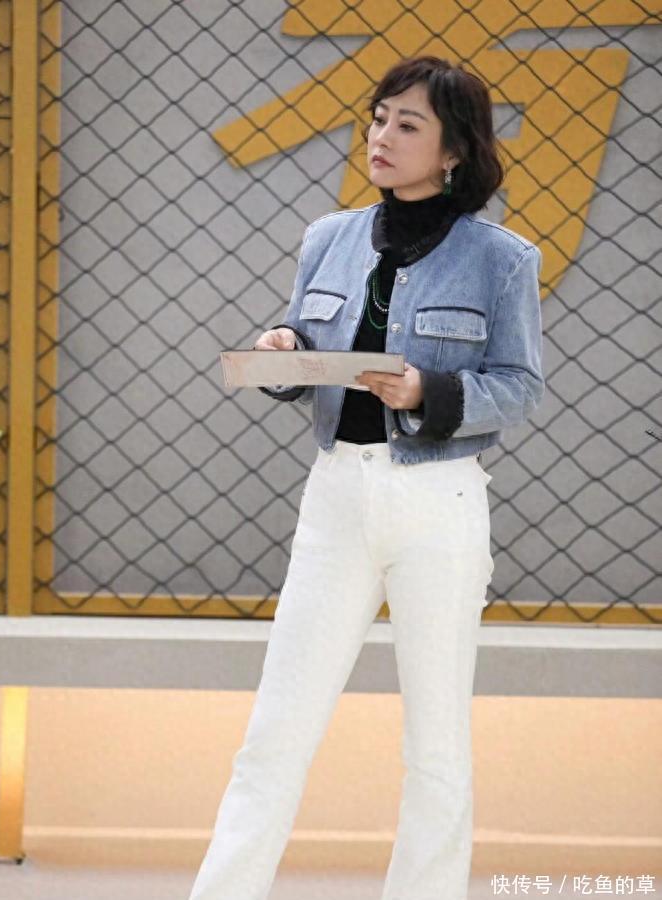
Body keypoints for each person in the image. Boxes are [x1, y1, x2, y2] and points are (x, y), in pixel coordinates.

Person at [188, 55, 544, 900]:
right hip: (336, 498)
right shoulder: (329, 238)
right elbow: (310, 351)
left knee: (436, 746)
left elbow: (520, 386)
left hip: (439, 500)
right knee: (276, 730)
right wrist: (283, 351)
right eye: (380, 117)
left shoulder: (501, 259)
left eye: (408, 124)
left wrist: (430, 392)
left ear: (454, 151)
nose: (382, 135)